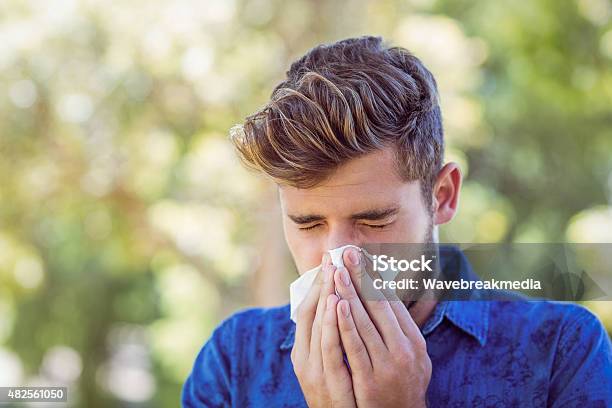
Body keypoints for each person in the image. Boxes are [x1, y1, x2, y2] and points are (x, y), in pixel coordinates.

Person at [182, 36, 612, 407]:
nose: (339, 258)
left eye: (373, 221)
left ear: (442, 196)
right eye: (308, 223)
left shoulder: (560, 351)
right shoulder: (236, 360)